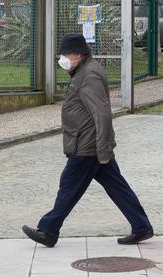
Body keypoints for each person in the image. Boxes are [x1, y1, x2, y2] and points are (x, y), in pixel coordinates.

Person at [22, 33, 153, 248]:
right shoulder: (83, 70)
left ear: (76, 54)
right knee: (117, 186)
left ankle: (48, 230)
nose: (62, 58)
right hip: (90, 143)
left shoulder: (89, 75)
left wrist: (102, 150)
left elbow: (101, 114)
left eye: (64, 54)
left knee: (69, 187)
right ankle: (141, 227)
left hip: (88, 146)